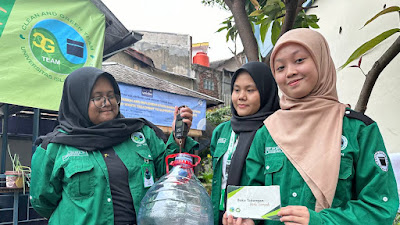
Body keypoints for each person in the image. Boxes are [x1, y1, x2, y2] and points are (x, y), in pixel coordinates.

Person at [223, 28, 399, 225]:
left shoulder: (358, 130)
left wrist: (321, 221)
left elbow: (380, 207)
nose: (290, 72)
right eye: (280, 68)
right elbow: (254, 198)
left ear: (320, 61)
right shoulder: (267, 132)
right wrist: (248, 220)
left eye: (299, 60)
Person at [30, 67, 198, 225]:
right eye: (97, 97)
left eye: (111, 95)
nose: (107, 102)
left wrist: (178, 138)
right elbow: (43, 202)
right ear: (78, 101)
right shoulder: (54, 147)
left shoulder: (139, 133)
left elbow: (168, 175)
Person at [210, 61, 280, 225]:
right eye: (236, 90)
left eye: (250, 90)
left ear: (265, 92)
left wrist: (254, 220)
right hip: (221, 216)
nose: (241, 96)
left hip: (255, 220)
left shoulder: (275, 131)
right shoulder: (222, 131)